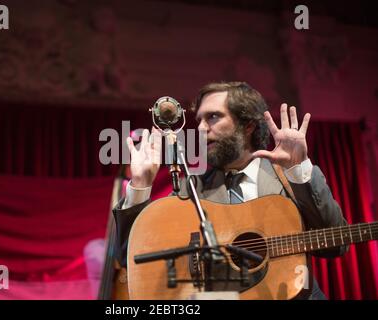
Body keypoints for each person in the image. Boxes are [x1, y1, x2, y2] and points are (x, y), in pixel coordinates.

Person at [112, 81, 348, 299]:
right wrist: (141, 184)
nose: (202, 129)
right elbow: (133, 260)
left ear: (248, 125)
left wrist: (298, 169)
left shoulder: (290, 177)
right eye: (199, 120)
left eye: (213, 117)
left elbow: (337, 244)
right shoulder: (191, 190)